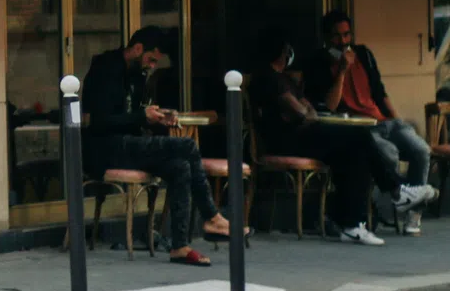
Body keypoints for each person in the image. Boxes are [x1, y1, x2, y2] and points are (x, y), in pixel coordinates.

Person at [249, 27, 434, 246]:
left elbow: (309, 110)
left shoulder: (285, 79)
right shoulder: (268, 78)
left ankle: (353, 225)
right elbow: (301, 112)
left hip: (303, 135)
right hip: (287, 142)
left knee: (355, 153)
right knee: (358, 136)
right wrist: (306, 112)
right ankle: (396, 191)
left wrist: (306, 111)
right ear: (283, 51)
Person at [83, 27, 230, 265]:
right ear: (138, 48)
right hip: (104, 148)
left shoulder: (137, 74)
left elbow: (135, 117)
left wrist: (159, 118)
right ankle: (211, 216)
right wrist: (143, 116)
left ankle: (180, 246)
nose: (152, 66)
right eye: (151, 59)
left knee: (180, 166)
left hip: (128, 146)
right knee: (188, 147)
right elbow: (99, 121)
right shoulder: (106, 69)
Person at [299, 10, 438, 235]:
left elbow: (379, 91)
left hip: (383, 119)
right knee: (389, 153)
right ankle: (386, 203)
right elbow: (331, 105)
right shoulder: (318, 62)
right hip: (358, 127)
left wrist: (396, 119)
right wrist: (342, 70)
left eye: (346, 35)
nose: (343, 42)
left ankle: (413, 214)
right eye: (337, 36)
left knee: (420, 149)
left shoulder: (363, 54)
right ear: (326, 38)